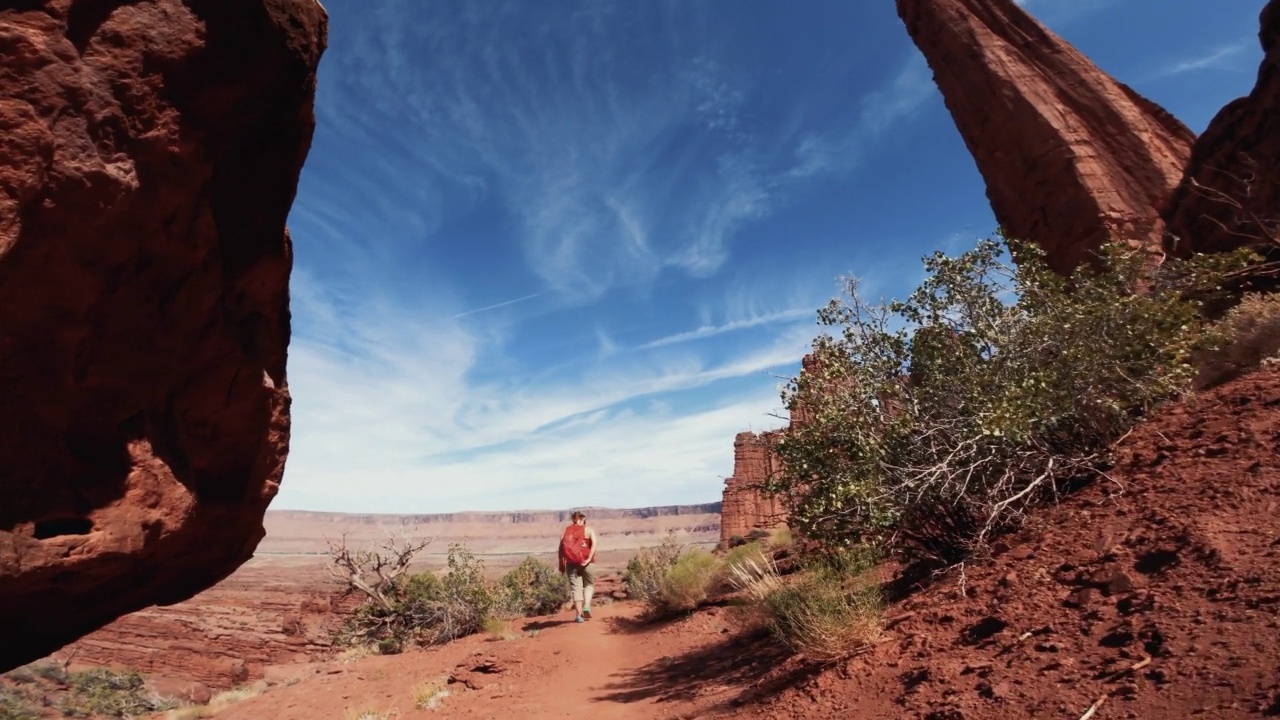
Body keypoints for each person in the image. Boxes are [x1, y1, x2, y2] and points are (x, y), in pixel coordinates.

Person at [558, 510, 597, 623]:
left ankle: (579, 616)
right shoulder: (588, 530)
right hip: (587, 563)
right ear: (583, 519)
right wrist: (589, 558)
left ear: (573, 519)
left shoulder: (566, 532)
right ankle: (587, 607)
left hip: (571, 563)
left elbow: (561, 549)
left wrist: (561, 563)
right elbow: (594, 544)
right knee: (589, 585)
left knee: (576, 589)